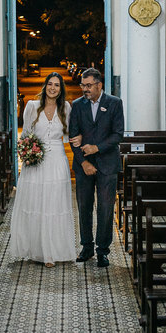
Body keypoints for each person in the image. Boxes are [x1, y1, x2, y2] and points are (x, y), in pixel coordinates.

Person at [8, 72, 76, 268]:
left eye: (57, 85)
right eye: (50, 84)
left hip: (57, 160)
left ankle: (52, 252)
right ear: (45, 86)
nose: (53, 88)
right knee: (36, 203)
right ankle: (36, 249)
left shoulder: (66, 107)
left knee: (54, 205)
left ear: (61, 89)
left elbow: (70, 133)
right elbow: (26, 135)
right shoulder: (32, 106)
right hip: (35, 162)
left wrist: (78, 139)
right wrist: (27, 151)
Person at [67, 68, 124, 268]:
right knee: (83, 207)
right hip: (84, 166)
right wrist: (84, 162)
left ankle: (102, 250)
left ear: (99, 85)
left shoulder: (114, 103)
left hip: (108, 164)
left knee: (106, 208)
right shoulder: (77, 105)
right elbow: (73, 136)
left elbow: (118, 134)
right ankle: (87, 247)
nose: (85, 89)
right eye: (82, 85)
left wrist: (96, 148)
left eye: (89, 85)